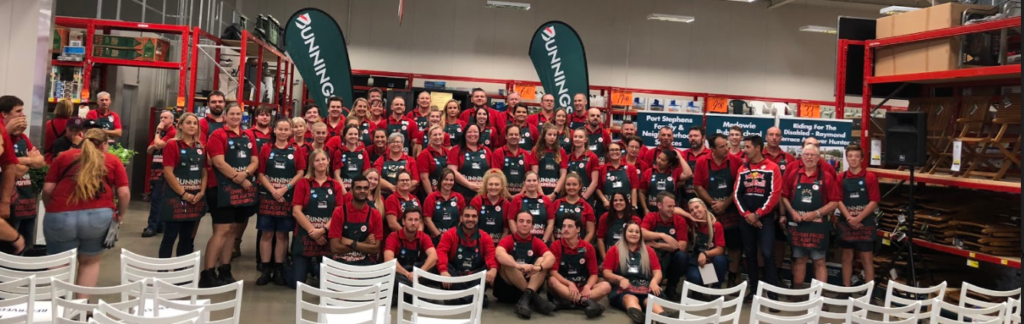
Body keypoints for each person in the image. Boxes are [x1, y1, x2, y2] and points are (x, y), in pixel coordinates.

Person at [42, 129, 130, 295]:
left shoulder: (64, 157)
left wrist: (51, 209)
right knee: (89, 263)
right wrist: (120, 215)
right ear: (104, 144)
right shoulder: (112, 160)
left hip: (60, 214)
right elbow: (124, 193)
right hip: (99, 216)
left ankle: (57, 309)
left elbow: (47, 190)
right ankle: (81, 310)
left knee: (59, 263)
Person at [202, 102, 258, 288]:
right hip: (220, 190)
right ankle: (207, 272)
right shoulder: (217, 135)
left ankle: (225, 269)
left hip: (241, 192)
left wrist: (246, 174)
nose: (235, 117)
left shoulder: (248, 135)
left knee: (233, 231)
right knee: (222, 230)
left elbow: (255, 160)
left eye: (238, 114)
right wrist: (240, 178)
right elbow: (218, 162)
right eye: (232, 113)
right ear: (225, 116)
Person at [781, 144, 840, 288]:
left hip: (818, 226)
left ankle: (820, 297)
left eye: (812, 155)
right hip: (798, 225)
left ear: (818, 158)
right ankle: (797, 293)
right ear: (801, 157)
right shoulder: (794, 174)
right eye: (806, 154)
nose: (809, 157)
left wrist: (816, 213)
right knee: (799, 259)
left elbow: (835, 202)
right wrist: (792, 212)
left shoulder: (826, 177)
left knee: (819, 261)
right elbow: (784, 196)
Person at [255, 118, 306, 286]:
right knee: (267, 233)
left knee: (282, 235)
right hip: (268, 196)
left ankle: (278, 268)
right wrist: (273, 190)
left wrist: (285, 188)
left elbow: (300, 172)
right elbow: (260, 173)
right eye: (280, 129)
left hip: (287, 197)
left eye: (286, 129)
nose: (283, 132)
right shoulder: (266, 149)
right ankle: (265, 269)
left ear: (290, 131)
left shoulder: (296, 149)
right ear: (274, 130)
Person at [733, 135, 783, 301]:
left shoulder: (772, 167)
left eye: (747, 147)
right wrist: (747, 215)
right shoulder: (742, 168)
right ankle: (754, 291)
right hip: (746, 219)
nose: (744, 150)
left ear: (757, 148)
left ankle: (773, 294)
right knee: (750, 255)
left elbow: (775, 194)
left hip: (765, 219)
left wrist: (759, 214)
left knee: (768, 254)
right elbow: (736, 194)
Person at [692, 133, 744, 285]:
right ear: (712, 149)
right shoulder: (702, 161)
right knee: (710, 246)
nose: (726, 149)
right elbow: (697, 185)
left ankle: (733, 278)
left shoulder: (735, 161)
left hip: (731, 211)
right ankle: (710, 281)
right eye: (721, 147)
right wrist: (713, 203)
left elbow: (738, 186)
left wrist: (725, 204)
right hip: (710, 211)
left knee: (734, 246)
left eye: (726, 145)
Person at [157, 113, 207, 261]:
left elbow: (204, 172)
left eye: (195, 123)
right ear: (180, 125)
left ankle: (183, 273)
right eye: (188, 123)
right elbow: (168, 172)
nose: (192, 126)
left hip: (195, 198)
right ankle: (163, 273)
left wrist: (202, 192)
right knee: (170, 236)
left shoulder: (200, 147)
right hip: (175, 198)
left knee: (187, 238)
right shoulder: (172, 144)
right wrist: (183, 194)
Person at [290, 149, 342, 288]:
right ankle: (289, 266)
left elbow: (338, 213)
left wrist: (323, 230)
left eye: (323, 159)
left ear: (328, 161)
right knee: (297, 283)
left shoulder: (335, 185)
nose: (320, 163)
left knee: (327, 284)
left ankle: (314, 268)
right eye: (317, 160)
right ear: (312, 163)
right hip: (305, 235)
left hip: (326, 237)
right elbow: (296, 212)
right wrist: (314, 232)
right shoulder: (303, 183)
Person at [494, 211, 557, 319]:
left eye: (528, 222)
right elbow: (498, 253)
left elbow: (551, 258)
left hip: (530, 281)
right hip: (508, 291)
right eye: (521, 221)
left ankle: (526, 298)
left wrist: (537, 268)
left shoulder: (536, 241)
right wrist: (517, 266)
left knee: (543, 260)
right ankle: (534, 298)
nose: (524, 224)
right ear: (516, 223)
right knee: (507, 259)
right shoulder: (508, 239)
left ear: (532, 225)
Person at [602, 222, 665, 324]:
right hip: (624, 288)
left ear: (640, 235)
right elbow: (606, 272)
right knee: (630, 298)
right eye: (630, 231)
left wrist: (654, 282)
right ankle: (639, 317)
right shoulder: (614, 250)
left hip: (644, 286)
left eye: (637, 232)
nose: (634, 234)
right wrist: (620, 279)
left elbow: (657, 271)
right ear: (624, 233)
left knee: (650, 301)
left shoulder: (649, 250)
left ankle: (662, 317)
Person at [1, 97, 43, 249]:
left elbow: (40, 161)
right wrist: (28, 161)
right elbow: (13, 170)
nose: (22, 115)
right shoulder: (4, 136)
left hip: (24, 202)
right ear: (4, 114)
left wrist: (21, 162)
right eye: (18, 111)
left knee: (24, 246)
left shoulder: (22, 137)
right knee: (10, 245)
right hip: (10, 203)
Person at [547, 215, 609, 318]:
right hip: (564, 287)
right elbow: (553, 272)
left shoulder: (588, 247)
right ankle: (584, 302)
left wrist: (588, 286)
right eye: (563, 226)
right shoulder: (556, 245)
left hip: (582, 286)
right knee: (551, 280)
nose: (565, 229)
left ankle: (569, 303)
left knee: (606, 286)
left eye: (570, 226)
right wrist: (569, 283)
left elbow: (594, 274)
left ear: (578, 229)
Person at [436, 206, 498, 307]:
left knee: (488, 269)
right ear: (461, 218)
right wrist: (443, 271)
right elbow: (441, 252)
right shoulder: (450, 234)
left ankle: (458, 299)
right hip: (455, 277)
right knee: (439, 264)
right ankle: (475, 298)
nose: (470, 219)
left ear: (477, 219)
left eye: (474, 216)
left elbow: (491, 254)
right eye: (467, 216)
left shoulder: (484, 236)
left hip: (474, 278)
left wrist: (493, 269)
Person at [837, 144, 880, 289]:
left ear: (862, 159)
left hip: (865, 222)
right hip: (846, 221)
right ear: (846, 158)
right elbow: (837, 199)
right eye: (850, 156)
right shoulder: (841, 177)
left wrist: (858, 218)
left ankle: (869, 295)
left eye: (856, 156)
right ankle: (846, 290)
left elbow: (874, 201)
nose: (853, 159)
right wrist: (849, 218)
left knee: (866, 259)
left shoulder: (870, 177)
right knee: (846, 257)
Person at [640, 192, 689, 301]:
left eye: (673, 206)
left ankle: (671, 288)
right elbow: (641, 233)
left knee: (682, 257)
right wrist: (662, 235)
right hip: (654, 257)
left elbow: (682, 246)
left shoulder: (679, 220)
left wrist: (658, 244)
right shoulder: (651, 217)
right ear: (659, 205)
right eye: (669, 206)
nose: (672, 209)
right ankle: (652, 287)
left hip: (671, 257)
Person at [384, 206, 438, 305]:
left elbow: (433, 256)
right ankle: (421, 298)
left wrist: (418, 273)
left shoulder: (424, 237)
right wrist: (407, 274)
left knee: (432, 266)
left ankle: (402, 297)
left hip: (417, 273)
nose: (413, 223)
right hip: (401, 273)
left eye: (416, 220)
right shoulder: (393, 236)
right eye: (410, 219)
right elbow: (388, 259)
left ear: (420, 222)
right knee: (392, 276)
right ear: (403, 221)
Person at [329, 175, 384, 265]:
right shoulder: (339, 212)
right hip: (341, 263)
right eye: (358, 188)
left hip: (365, 263)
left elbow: (375, 248)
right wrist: (364, 244)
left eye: (365, 188)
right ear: (351, 191)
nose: (362, 191)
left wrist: (351, 243)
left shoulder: (375, 214)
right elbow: (335, 248)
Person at [142, 111, 177, 238]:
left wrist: (157, 133)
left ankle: (152, 226)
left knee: (158, 199)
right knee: (158, 198)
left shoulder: (172, 133)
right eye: (161, 117)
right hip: (156, 170)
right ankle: (160, 225)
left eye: (165, 118)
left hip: (164, 172)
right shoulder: (162, 133)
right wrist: (156, 143)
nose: (162, 120)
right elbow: (149, 150)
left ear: (171, 120)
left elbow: (157, 145)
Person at [683, 198, 729, 288]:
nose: (695, 211)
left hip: (711, 260)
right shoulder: (692, 223)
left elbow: (720, 249)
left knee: (720, 260)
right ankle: (699, 290)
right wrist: (689, 216)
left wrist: (705, 253)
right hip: (697, 260)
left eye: (697, 207)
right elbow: (675, 210)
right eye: (691, 210)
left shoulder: (716, 225)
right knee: (694, 277)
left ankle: (715, 289)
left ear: (704, 207)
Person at [448, 124, 492, 201]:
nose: (473, 134)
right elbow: (452, 171)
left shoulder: (487, 150)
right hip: (461, 195)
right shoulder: (455, 150)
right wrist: (469, 184)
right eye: (469, 132)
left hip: (483, 195)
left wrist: (484, 185)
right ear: (464, 134)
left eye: (475, 132)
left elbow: (492, 172)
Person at [508, 172, 555, 243]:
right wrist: (518, 238)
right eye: (529, 181)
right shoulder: (517, 199)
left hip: (542, 242)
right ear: (524, 183)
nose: (531, 183)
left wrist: (543, 241)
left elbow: (551, 223)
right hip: (521, 242)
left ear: (538, 183)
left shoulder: (546, 200)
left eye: (534, 180)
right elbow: (511, 220)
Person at [491, 125, 537, 195]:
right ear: (506, 136)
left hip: (522, 196)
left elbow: (528, 177)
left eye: (516, 134)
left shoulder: (526, 154)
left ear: (520, 137)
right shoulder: (498, 153)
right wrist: (508, 195)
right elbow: (496, 177)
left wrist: (520, 194)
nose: (514, 137)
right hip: (503, 195)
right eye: (511, 134)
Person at [422, 169, 465, 244]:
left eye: (451, 180)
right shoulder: (431, 197)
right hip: (435, 239)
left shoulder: (459, 197)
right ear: (440, 180)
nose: (449, 182)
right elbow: (427, 220)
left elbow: (462, 218)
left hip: (454, 239)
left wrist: (454, 235)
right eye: (446, 179)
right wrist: (439, 236)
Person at [550, 173, 596, 242]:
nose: (571, 187)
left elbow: (590, 232)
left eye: (574, 184)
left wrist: (581, 247)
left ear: (580, 186)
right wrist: (554, 245)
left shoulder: (587, 207)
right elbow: (550, 227)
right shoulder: (556, 204)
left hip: (578, 248)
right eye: (568, 185)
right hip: (558, 247)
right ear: (564, 186)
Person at [596, 192, 643, 260]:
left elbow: (639, 241)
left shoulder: (635, 219)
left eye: (621, 200)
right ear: (611, 202)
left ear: (626, 202)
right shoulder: (605, 217)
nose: (618, 202)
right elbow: (600, 239)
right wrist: (605, 259)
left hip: (629, 256)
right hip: (610, 256)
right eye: (615, 200)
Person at [470, 169, 511, 245]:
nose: (493, 187)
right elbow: (471, 226)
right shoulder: (477, 201)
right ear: (486, 185)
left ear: (502, 186)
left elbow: (506, 230)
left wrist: (499, 246)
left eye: (496, 184)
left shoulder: (506, 204)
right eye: (490, 184)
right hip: (479, 243)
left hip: (498, 244)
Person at [640, 148, 684, 215]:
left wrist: (680, 156)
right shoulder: (649, 172)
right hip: (651, 210)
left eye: (663, 160)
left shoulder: (674, 173)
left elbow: (688, 174)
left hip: (670, 211)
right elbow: (641, 192)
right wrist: (645, 208)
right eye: (658, 158)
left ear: (669, 163)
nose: (659, 161)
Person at [375, 133, 419, 199]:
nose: (395, 144)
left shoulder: (410, 160)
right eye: (392, 142)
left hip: (405, 197)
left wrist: (402, 189)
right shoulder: (380, 160)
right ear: (388, 145)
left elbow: (416, 180)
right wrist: (392, 188)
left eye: (398, 142)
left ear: (403, 144)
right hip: (383, 197)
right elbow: (376, 178)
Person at [597, 142, 640, 210]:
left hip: (626, 206)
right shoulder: (601, 169)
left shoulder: (631, 168)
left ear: (621, 152)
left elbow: (634, 188)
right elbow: (598, 188)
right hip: (608, 207)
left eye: (617, 149)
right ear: (608, 153)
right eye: (612, 150)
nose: (615, 152)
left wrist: (633, 206)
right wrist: (604, 201)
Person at [533, 124, 568, 200]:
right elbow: (534, 174)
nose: (552, 137)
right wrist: (541, 194)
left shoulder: (561, 152)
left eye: (554, 135)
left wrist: (554, 194)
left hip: (556, 192)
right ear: (544, 136)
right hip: (539, 191)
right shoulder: (536, 150)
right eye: (549, 134)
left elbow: (563, 175)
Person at [333, 124, 370, 193]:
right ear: (345, 136)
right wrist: (345, 193)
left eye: (355, 134)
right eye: (350, 134)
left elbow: (366, 174)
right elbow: (336, 175)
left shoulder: (363, 153)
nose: (353, 136)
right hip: (343, 189)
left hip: (359, 190)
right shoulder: (339, 152)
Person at [566, 128, 599, 205]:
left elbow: (594, 182)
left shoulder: (592, 157)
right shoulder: (568, 157)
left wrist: (583, 198)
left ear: (586, 140)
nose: (577, 139)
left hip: (586, 198)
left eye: (580, 137)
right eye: (575, 137)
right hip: (570, 198)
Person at [383, 171, 421, 237]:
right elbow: (392, 224)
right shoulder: (392, 199)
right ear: (396, 183)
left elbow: (421, 221)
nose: (405, 182)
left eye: (407, 180)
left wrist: (418, 236)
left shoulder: (415, 199)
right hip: (398, 238)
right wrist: (408, 236)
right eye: (402, 180)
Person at [417, 125, 449, 196]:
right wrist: (431, 196)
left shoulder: (448, 152)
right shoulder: (424, 154)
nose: (438, 137)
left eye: (440, 134)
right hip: (432, 192)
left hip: (447, 191)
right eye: (435, 135)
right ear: (430, 137)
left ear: (443, 135)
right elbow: (424, 178)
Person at [680, 127, 710, 202]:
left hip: (706, 199)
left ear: (703, 138)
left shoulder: (710, 154)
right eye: (690, 136)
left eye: (696, 136)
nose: (692, 138)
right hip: (685, 200)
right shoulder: (682, 155)